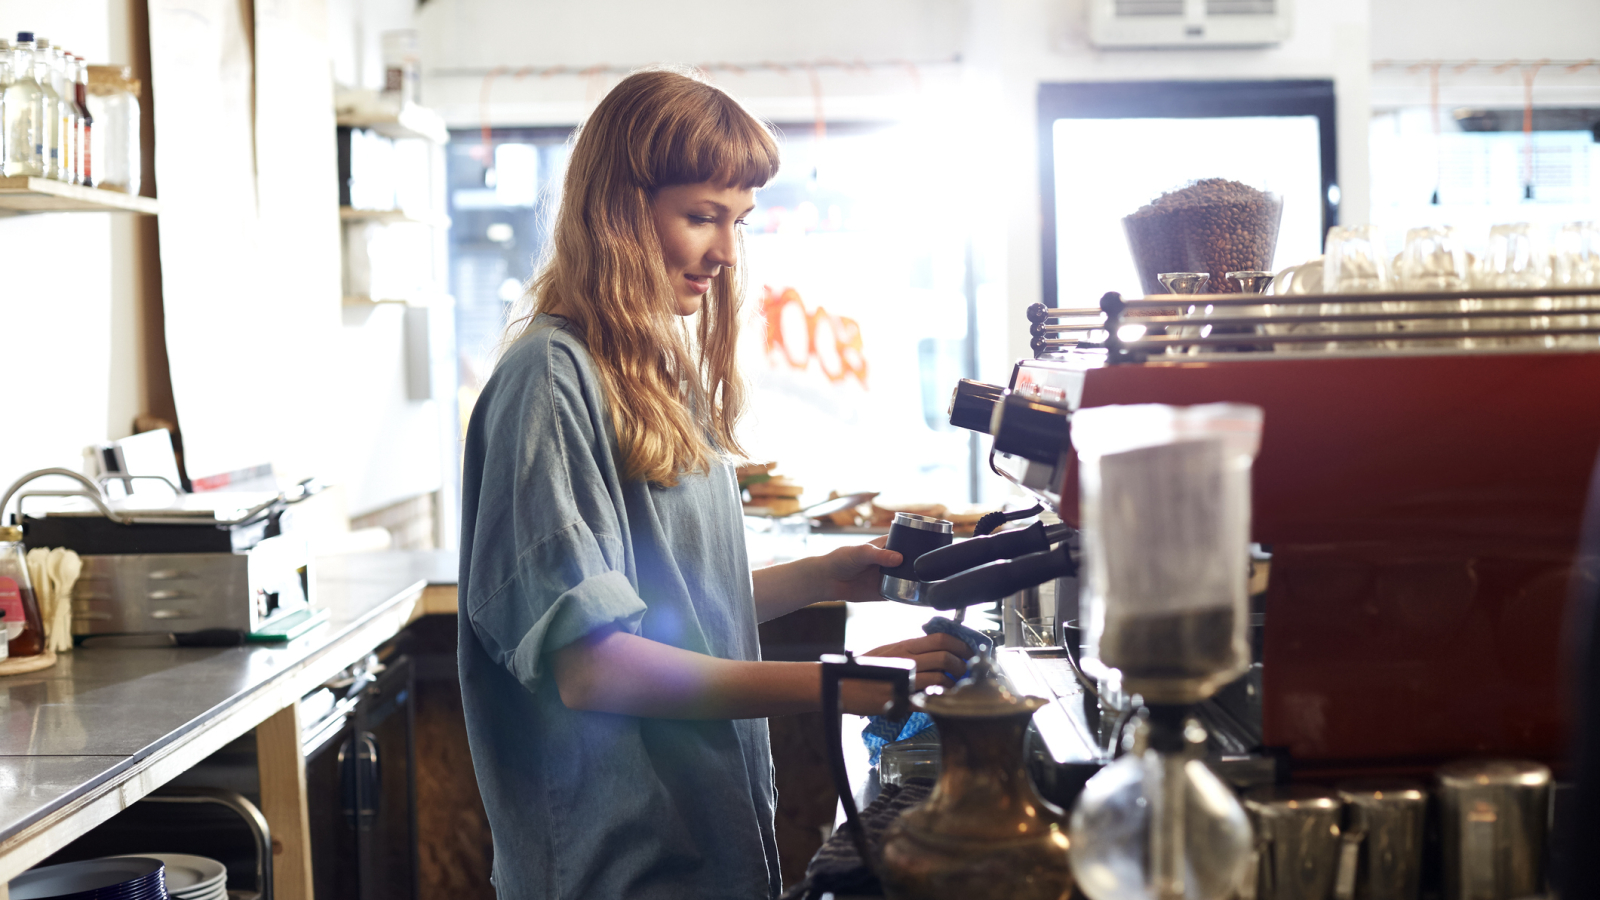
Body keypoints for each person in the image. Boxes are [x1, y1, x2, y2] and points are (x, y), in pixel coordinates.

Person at [457, 68, 972, 900]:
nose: (728, 252)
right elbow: (596, 666)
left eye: (738, 221)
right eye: (702, 217)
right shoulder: (549, 382)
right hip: (617, 868)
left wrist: (823, 576)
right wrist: (842, 684)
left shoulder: (650, 372)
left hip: (700, 846)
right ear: (618, 211)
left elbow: (670, 608)